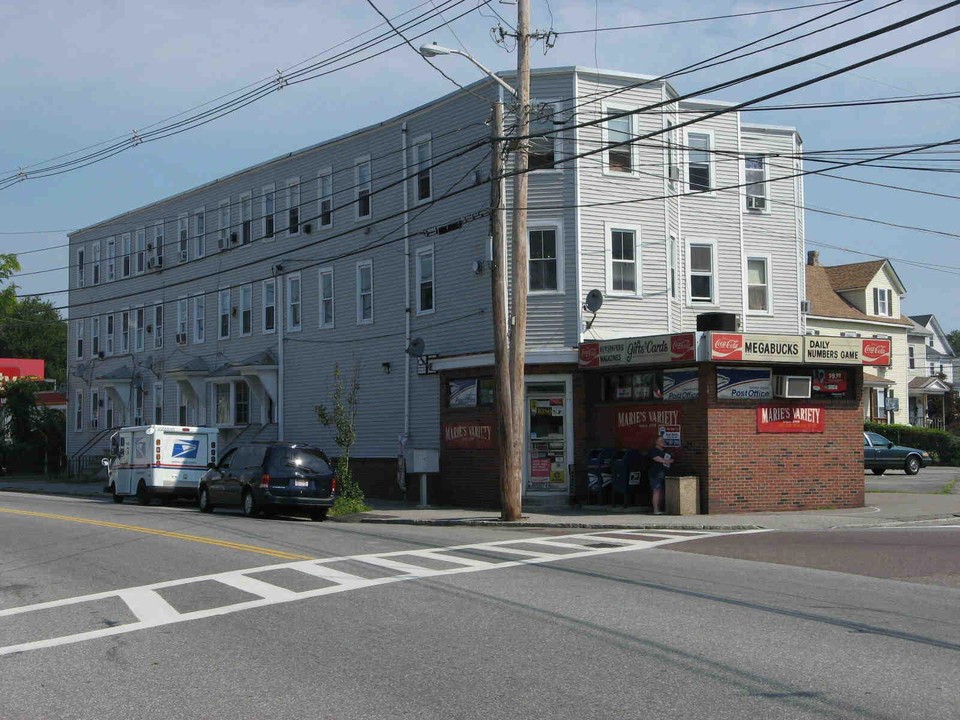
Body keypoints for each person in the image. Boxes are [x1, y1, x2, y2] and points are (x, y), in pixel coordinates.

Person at [647, 435, 673, 515]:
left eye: (663, 440)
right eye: (661, 441)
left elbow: (671, 458)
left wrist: (670, 461)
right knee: (657, 490)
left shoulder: (666, 451)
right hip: (656, 473)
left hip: (665, 473)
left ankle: (660, 508)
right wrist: (665, 461)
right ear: (656, 442)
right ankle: (655, 509)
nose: (663, 442)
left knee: (662, 491)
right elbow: (656, 458)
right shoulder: (653, 450)